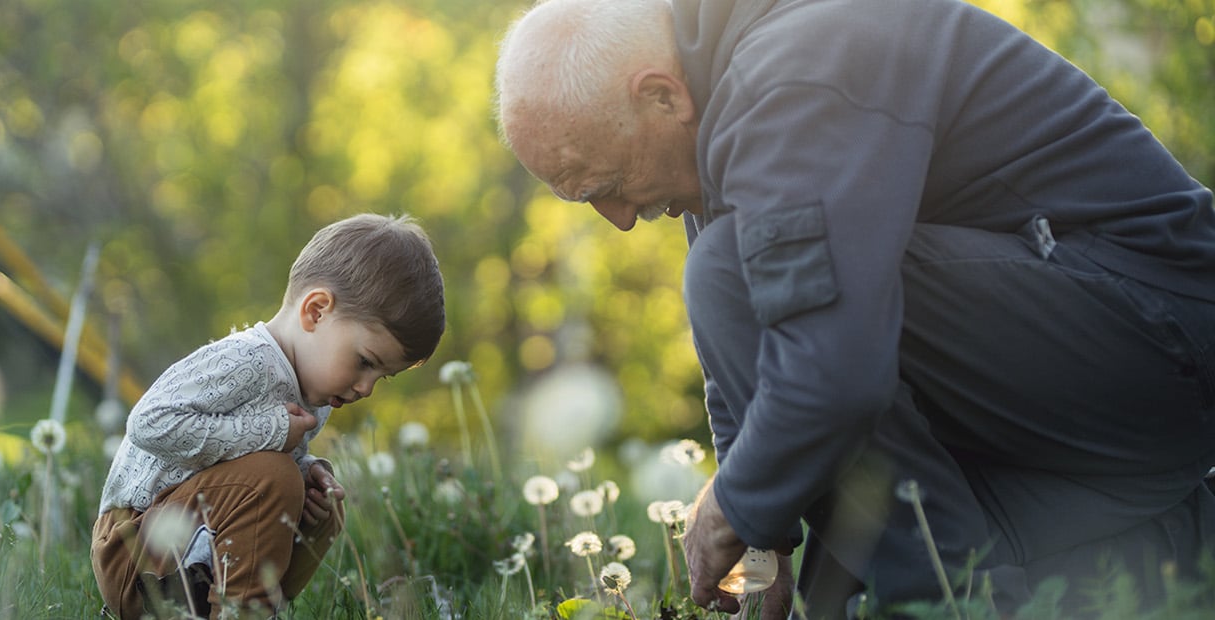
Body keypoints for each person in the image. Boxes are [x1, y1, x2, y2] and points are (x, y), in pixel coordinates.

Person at [495, 0, 1215, 617]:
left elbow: (828, 371)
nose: (619, 221)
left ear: (660, 96)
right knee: (841, 584)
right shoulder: (715, 96)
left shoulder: (798, 66)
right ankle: (1174, 545)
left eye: (603, 187)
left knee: (733, 279)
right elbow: (748, 358)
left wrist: (735, 509)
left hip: (1159, 334)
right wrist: (760, 547)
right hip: (1089, 384)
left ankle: (948, 606)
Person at [91, 213, 445, 618]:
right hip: (133, 551)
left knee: (324, 503)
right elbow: (148, 423)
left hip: (191, 545)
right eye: (365, 361)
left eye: (383, 378)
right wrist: (272, 432)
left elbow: (246, 460)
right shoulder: (245, 361)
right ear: (316, 311)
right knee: (272, 479)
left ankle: (256, 609)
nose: (366, 388)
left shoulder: (314, 394)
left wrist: (307, 472)